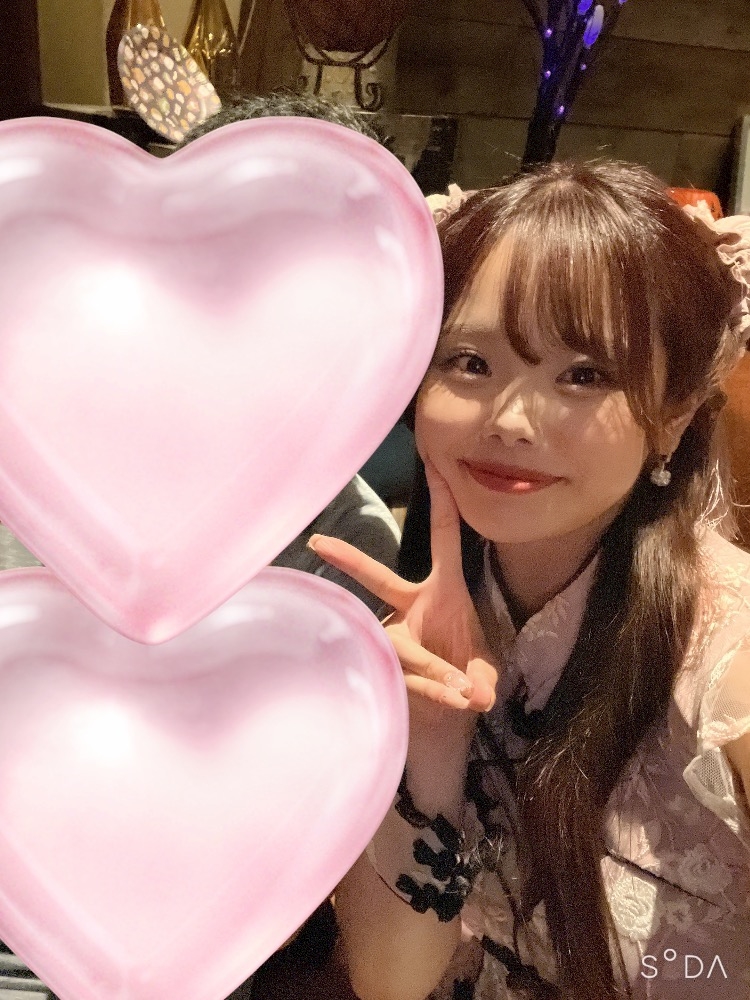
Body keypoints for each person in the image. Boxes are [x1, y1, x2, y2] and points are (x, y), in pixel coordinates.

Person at [309, 160, 750, 1000]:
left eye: (583, 374)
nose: (510, 420)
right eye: (469, 362)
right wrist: (429, 739)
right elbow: (392, 980)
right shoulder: (432, 615)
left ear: (675, 416)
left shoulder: (730, 657)